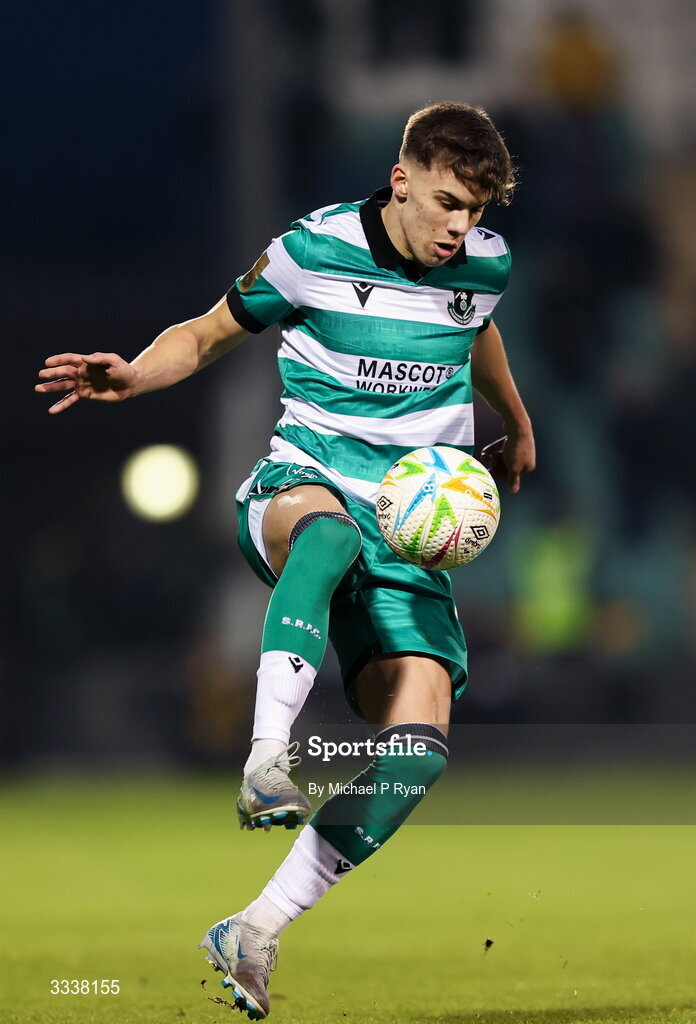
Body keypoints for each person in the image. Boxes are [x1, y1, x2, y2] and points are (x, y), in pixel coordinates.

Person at [36, 102, 535, 1020]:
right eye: (447, 203)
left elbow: (480, 325)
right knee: (330, 533)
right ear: (401, 182)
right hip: (302, 489)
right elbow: (207, 330)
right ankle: (268, 755)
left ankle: (255, 929)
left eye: (476, 210)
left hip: (408, 536)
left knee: (415, 755)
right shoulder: (312, 250)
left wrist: (519, 418)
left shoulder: (485, 264)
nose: (461, 227)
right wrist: (137, 374)